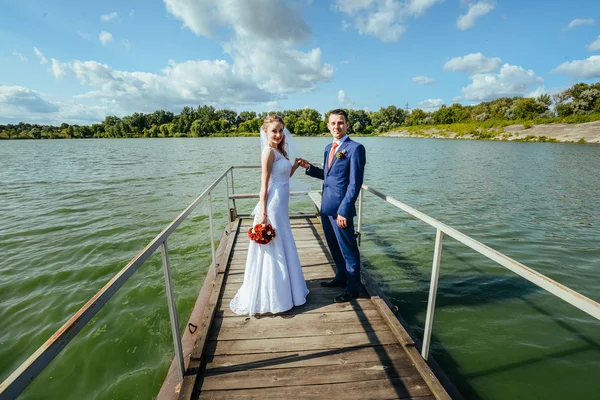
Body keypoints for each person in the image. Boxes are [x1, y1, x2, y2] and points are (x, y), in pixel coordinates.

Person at [230, 115, 309, 316]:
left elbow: (283, 177)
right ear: (265, 131)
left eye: (281, 130)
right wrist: (263, 212)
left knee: (283, 242)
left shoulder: (279, 152)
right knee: (275, 246)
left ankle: (289, 289)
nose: (279, 134)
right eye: (274, 130)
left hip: (282, 204)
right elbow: (264, 186)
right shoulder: (267, 153)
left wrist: (296, 166)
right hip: (272, 205)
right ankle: (275, 296)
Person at [298, 109, 366, 303]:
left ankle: (352, 287)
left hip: (341, 211)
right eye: (333, 123)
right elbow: (329, 177)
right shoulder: (329, 147)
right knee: (333, 246)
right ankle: (341, 276)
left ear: (347, 125)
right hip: (326, 207)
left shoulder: (355, 148)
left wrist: (344, 210)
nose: (337, 126)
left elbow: (355, 184)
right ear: (328, 125)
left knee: (348, 249)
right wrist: (309, 168)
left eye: (341, 123)